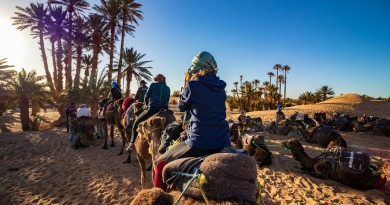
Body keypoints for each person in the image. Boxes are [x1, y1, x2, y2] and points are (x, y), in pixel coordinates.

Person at [153, 51, 230, 189]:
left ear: (198, 68)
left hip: (199, 141)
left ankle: (159, 194)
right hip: (223, 140)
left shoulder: (192, 85)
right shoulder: (221, 88)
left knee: (159, 163)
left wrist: (186, 84)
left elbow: (181, 107)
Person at [127, 74, 170, 150]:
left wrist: (146, 105)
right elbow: (167, 100)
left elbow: (146, 97)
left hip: (152, 109)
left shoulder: (153, 85)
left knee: (136, 123)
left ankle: (132, 143)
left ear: (157, 79)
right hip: (164, 110)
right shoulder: (168, 88)